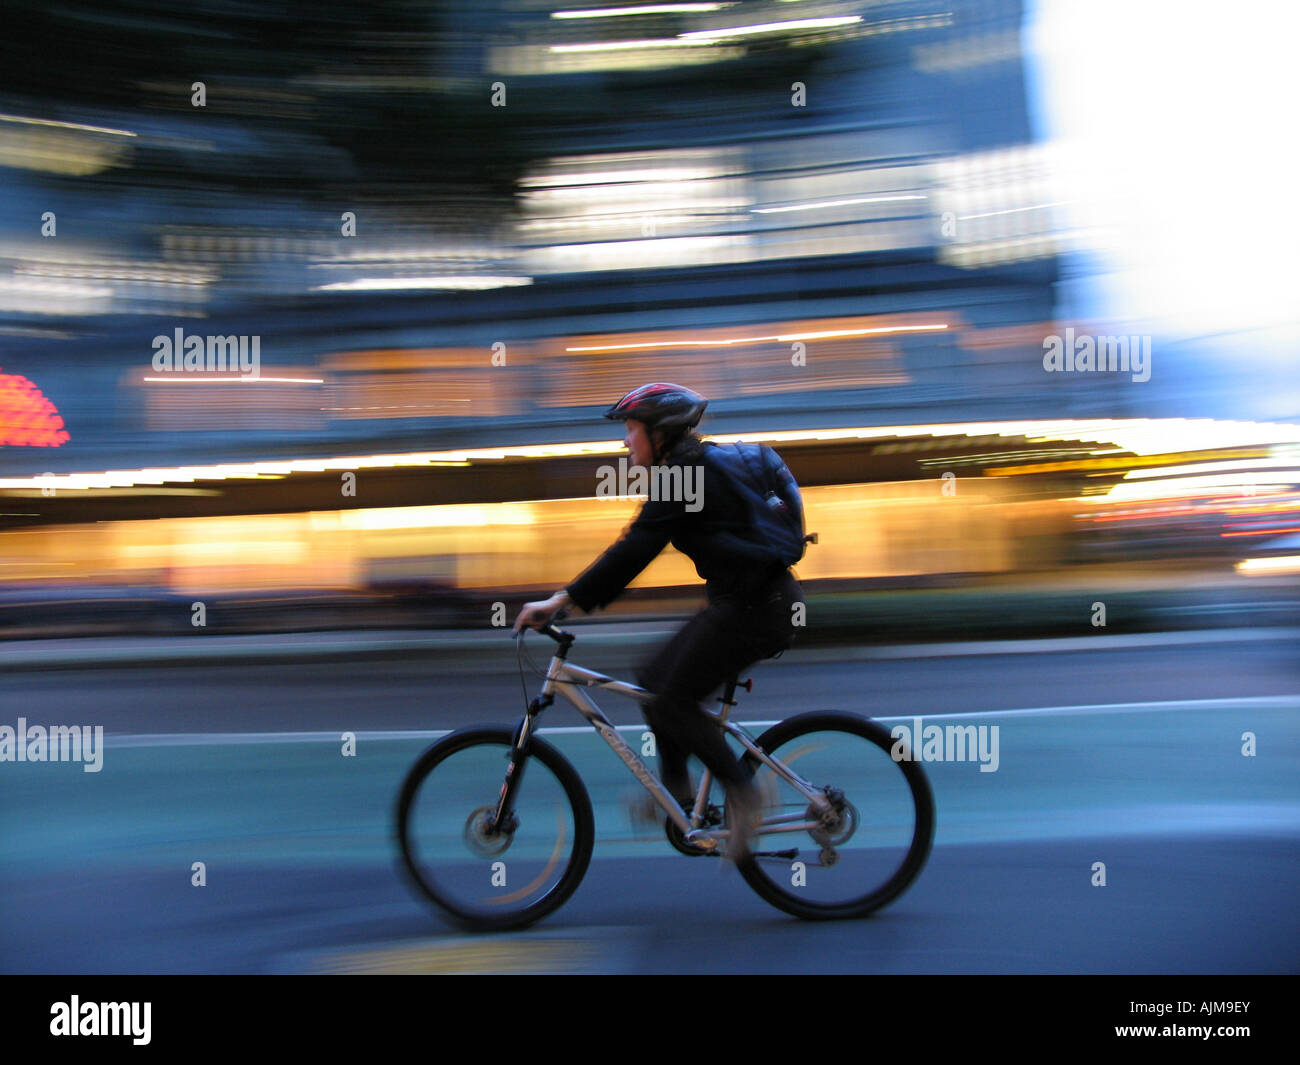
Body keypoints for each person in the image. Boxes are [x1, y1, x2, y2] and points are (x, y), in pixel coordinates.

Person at [512, 383, 803, 861]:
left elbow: (633, 551)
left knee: (672, 705)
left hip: (758, 608)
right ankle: (678, 796)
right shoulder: (689, 470)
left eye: (631, 429)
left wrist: (560, 601)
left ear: (659, 433)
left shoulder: (685, 475)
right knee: (653, 681)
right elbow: (638, 546)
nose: (625, 441)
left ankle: (744, 794)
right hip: (747, 602)